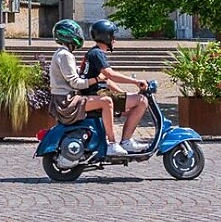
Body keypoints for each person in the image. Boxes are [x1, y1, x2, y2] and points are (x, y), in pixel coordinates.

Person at [48, 18, 134, 157]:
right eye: (76, 33)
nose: (79, 36)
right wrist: (96, 79)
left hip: (65, 99)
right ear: (69, 35)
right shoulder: (65, 55)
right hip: (66, 102)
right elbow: (75, 83)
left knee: (108, 102)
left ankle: (106, 139)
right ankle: (112, 144)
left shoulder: (63, 54)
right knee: (107, 102)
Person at [83, 20, 149, 152]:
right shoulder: (97, 53)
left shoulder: (94, 53)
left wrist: (123, 93)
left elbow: (106, 80)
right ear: (106, 37)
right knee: (142, 101)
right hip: (97, 95)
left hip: (98, 92)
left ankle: (123, 141)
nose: (115, 40)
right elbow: (110, 74)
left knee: (134, 101)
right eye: (113, 36)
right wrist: (136, 82)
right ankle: (125, 141)